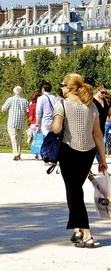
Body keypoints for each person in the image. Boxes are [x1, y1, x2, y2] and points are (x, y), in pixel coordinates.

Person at [51, 74, 108, 249]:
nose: (61, 87)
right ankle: (77, 229)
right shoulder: (92, 106)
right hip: (88, 152)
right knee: (74, 189)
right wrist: (103, 159)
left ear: (68, 87)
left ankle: (88, 234)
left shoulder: (62, 104)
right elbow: (98, 134)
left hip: (69, 151)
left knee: (74, 191)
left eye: (63, 85)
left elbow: (56, 128)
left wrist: (55, 118)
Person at [1, 86, 29, 161]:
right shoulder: (25, 100)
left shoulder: (10, 99)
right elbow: (27, 111)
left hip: (12, 121)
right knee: (19, 139)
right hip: (21, 121)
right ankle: (18, 153)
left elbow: (3, 109)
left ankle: (16, 154)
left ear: (14, 92)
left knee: (13, 138)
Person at [93, 84, 111, 163]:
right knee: (96, 149)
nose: (104, 94)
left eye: (105, 93)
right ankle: (103, 168)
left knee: (99, 148)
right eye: (102, 92)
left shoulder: (105, 101)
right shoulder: (92, 101)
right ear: (97, 90)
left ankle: (102, 168)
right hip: (93, 128)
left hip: (102, 127)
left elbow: (108, 113)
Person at [27, 91, 42, 159]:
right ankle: (41, 153)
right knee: (41, 139)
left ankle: (37, 153)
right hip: (41, 123)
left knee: (35, 139)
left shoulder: (32, 106)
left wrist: (28, 122)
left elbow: (30, 117)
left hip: (33, 123)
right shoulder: (41, 105)